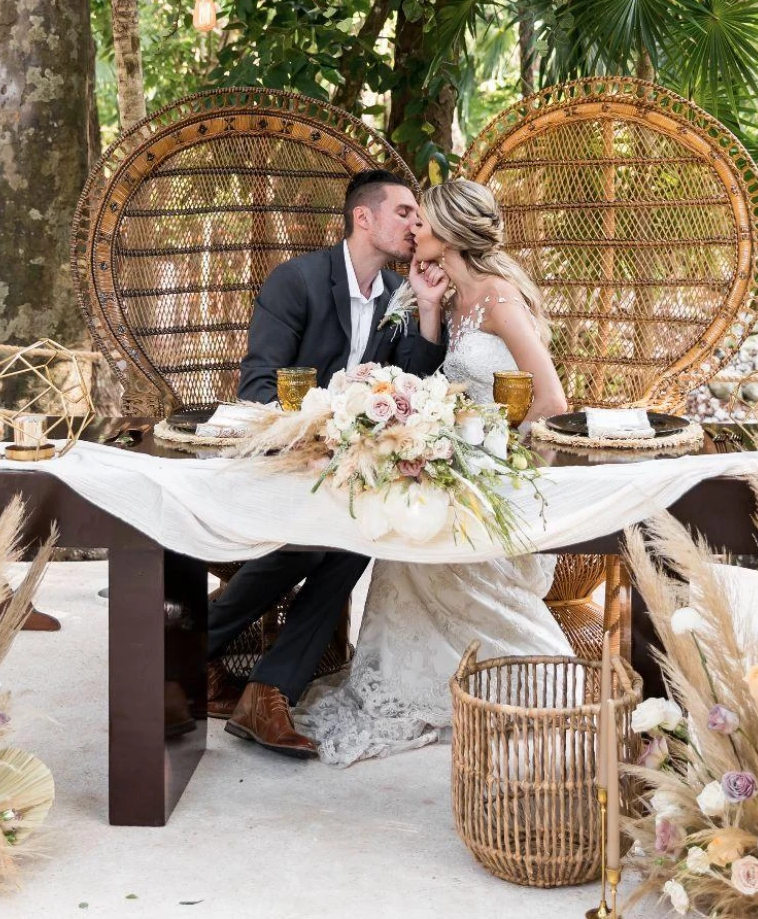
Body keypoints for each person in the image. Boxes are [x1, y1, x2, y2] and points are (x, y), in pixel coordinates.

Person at [293, 177, 573, 766]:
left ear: (446, 232)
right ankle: (422, 683)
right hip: (453, 458)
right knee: (402, 530)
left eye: (422, 221)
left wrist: (503, 463)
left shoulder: (497, 298)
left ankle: (531, 681)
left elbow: (550, 401)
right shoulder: (447, 297)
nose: (413, 228)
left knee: (423, 530)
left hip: (494, 470)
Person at [208, 169, 450, 758]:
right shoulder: (297, 281)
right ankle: (227, 669)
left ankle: (256, 685)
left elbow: (414, 384)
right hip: (283, 460)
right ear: (362, 218)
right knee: (334, 538)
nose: (416, 225)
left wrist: (429, 307)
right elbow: (259, 386)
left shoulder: (399, 293)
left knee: (359, 531)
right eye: (404, 213)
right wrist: (341, 394)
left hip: (347, 468)